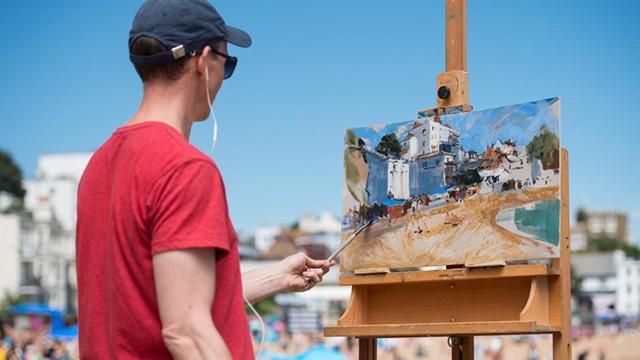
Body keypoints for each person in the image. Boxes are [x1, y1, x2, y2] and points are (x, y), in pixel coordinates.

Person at [75, 1, 333, 359]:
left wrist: (274, 278)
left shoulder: (99, 166)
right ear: (203, 61)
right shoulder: (185, 167)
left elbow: (159, 299)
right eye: (227, 65)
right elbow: (186, 331)